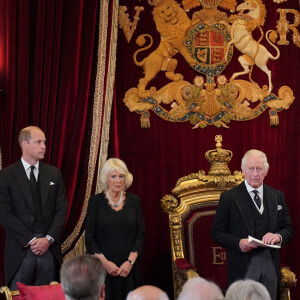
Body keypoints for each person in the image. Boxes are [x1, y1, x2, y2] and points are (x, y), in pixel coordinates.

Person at [211, 149, 294, 300]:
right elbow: (216, 233)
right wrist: (238, 243)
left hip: (270, 264)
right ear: (243, 171)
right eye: (251, 169)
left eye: (259, 169)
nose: (255, 173)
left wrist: (278, 236)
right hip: (243, 265)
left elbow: (288, 229)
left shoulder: (277, 196)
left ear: (266, 171)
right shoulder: (229, 197)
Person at [0, 126, 68, 289]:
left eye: (44, 142)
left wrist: (48, 239)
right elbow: (4, 213)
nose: (44, 146)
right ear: (24, 144)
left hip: (48, 250)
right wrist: (30, 240)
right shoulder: (6, 176)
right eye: (38, 142)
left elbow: (61, 209)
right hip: (20, 250)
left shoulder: (54, 174)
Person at [85, 158, 145, 300]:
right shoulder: (95, 202)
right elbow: (90, 238)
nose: (118, 180)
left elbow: (140, 234)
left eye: (121, 176)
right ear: (106, 179)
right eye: (113, 176)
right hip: (102, 269)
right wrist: (105, 264)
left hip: (128, 269)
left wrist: (129, 262)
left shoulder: (134, 201)